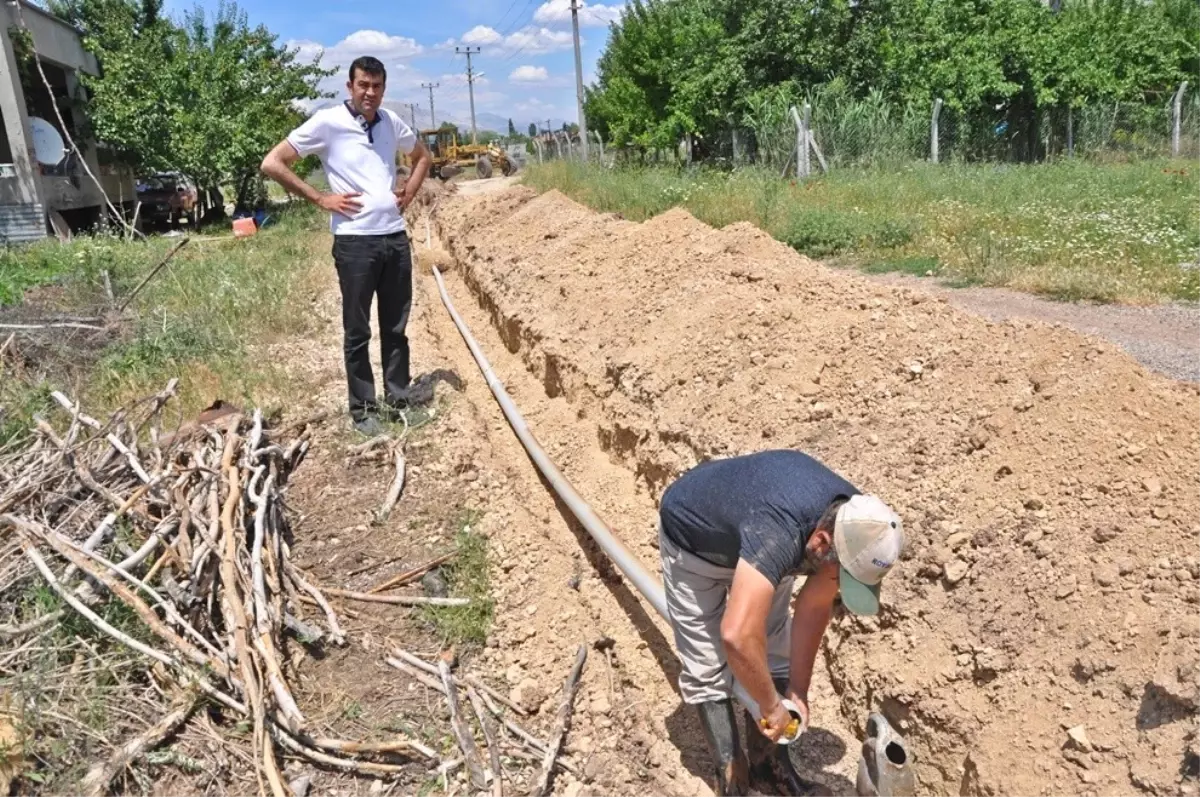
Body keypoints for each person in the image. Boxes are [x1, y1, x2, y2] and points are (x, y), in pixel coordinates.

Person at [657, 449, 904, 797]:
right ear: (821, 544)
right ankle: (732, 780)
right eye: (841, 578)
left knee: (773, 646)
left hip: (759, 536)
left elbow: (816, 605)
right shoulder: (781, 532)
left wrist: (797, 692)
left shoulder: (858, 525)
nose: (838, 587)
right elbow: (737, 637)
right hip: (695, 541)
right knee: (707, 665)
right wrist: (771, 706)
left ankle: (768, 770)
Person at [261, 55, 433, 436]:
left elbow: (423, 157)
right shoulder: (328, 122)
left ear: (383, 89)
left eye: (376, 86)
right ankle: (363, 410)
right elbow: (273, 162)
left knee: (396, 326)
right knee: (358, 330)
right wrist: (319, 198)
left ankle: (399, 399)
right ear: (350, 87)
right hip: (355, 243)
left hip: (393, 237)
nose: (369, 92)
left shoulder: (391, 122)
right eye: (363, 85)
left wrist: (409, 192)